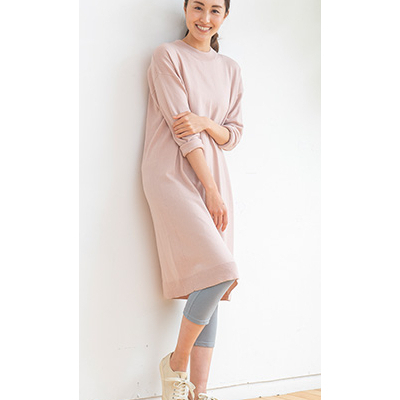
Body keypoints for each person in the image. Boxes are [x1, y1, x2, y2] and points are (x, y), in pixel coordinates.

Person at [141, 1, 244, 399]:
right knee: (221, 271)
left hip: (213, 173)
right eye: (198, 7)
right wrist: (211, 189)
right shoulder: (167, 55)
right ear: (185, 9)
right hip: (172, 172)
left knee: (212, 278)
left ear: (225, 16)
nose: (205, 18)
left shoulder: (230, 69)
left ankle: (198, 393)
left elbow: (233, 134)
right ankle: (176, 363)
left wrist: (206, 122)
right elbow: (182, 130)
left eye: (215, 10)